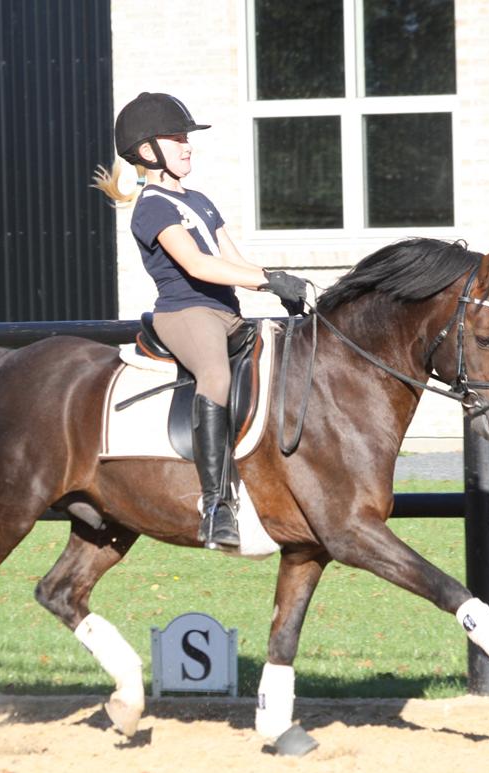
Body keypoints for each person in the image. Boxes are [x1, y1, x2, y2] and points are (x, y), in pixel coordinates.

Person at [94, 92, 307, 550]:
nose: (187, 146)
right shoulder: (152, 207)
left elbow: (233, 261)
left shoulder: (201, 201)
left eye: (186, 138)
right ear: (148, 151)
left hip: (228, 313)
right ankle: (216, 505)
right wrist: (269, 281)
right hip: (186, 312)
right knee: (214, 374)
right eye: (177, 138)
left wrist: (280, 285)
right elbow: (198, 266)